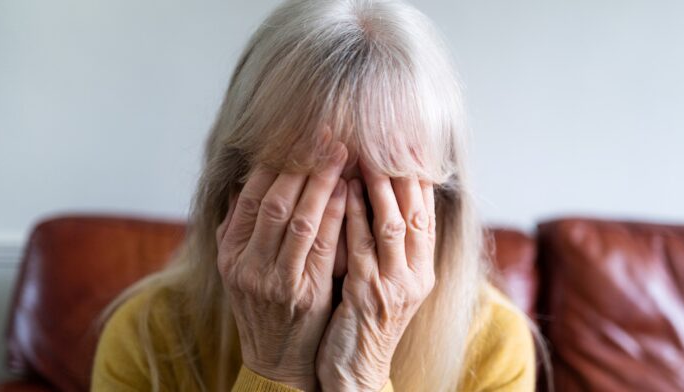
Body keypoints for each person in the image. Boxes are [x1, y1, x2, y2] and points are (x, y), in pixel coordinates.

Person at [91, 0, 536, 390]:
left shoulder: (493, 342)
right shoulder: (148, 334)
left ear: (437, 204)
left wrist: (361, 377)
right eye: (306, 182)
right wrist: (274, 370)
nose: (324, 223)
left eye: (377, 189)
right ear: (235, 187)